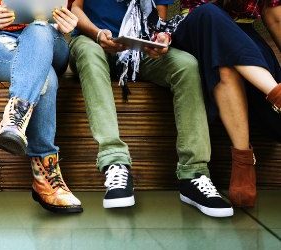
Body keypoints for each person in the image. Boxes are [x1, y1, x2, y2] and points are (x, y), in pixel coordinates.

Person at [70, 0, 234, 217]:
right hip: (92, 40)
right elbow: (74, 9)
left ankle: (193, 173)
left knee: (186, 66)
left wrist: (160, 39)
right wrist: (98, 34)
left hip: (138, 50)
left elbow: (158, 21)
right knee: (89, 54)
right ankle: (115, 162)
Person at [0, 1, 83, 213]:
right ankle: (45, 176)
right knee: (44, 75)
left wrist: (66, 24)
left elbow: (65, 11)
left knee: (39, 28)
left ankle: (14, 117)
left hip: (48, 39)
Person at [172, 0, 281, 208]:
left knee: (227, 65)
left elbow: (275, 17)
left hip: (243, 37)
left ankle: (243, 161)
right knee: (210, 14)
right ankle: (275, 94)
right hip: (197, 30)